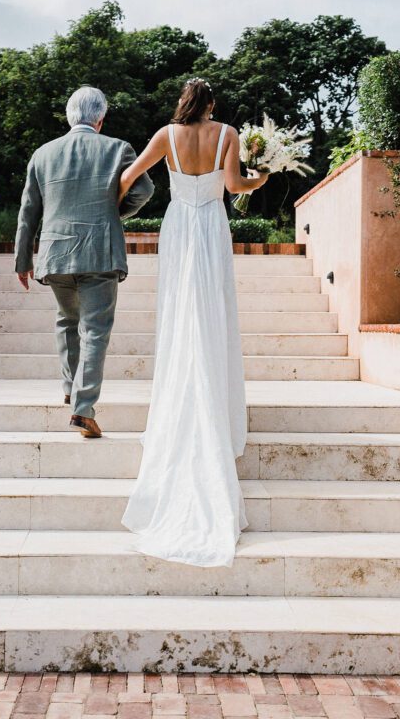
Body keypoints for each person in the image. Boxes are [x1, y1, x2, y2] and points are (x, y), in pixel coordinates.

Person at [118, 78, 269, 567]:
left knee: (180, 308)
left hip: (179, 224)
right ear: (211, 106)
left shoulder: (165, 135)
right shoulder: (228, 134)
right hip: (212, 225)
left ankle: (184, 389)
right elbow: (232, 187)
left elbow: (128, 178)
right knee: (213, 306)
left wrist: (113, 214)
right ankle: (216, 406)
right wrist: (259, 180)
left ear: (183, 104)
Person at [14, 86, 155, 437]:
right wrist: (114, 212)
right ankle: (83, 408)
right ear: (101, 118)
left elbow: (28, 210)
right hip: (100, 251)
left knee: (66, 321)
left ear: (69, 116)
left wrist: (22, 259)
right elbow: (144, 190)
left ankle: (69, 387)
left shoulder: (43, 154)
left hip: (55, 252)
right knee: (94, 331)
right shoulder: (118, 149)